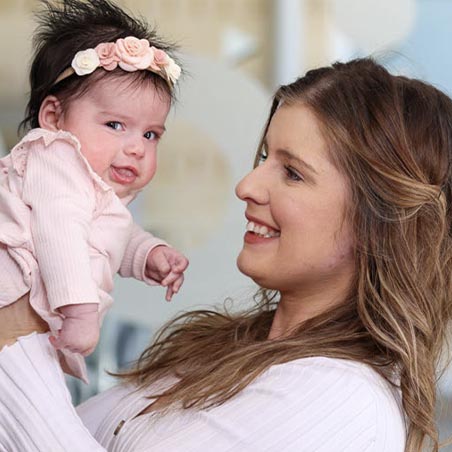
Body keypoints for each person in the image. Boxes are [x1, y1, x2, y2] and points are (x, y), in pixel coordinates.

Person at [0, 55, 451, 451]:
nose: (246, 186)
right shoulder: (223, 351)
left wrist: (11, 338)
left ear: (380, 222)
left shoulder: (341, 402)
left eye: (292, 173)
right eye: (263, 159)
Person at [0, 0, 189, 385]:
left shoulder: (88, 188)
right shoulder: (54, 157)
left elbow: (105, 226)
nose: (137, 147)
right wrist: (81, 310)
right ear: (53, 118)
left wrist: (146, 252)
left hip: (28, 330)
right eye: (116, 124)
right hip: (12, 317)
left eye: (150, 134)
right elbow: (61, 229)